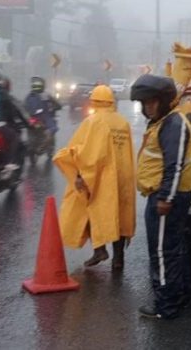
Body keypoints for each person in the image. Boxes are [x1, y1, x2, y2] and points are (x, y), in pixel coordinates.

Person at [131, 74, 191, 320]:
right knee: (174, 248)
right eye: (144, 103)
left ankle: (165, 305)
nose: (147, 107)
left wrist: (165, 198)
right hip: (166, 196)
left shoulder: (173, 124)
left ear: (165, 101)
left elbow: (174, 165)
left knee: (161, 252)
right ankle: (180, 296)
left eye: (151, 102)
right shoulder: (162, 122)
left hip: (167, 197)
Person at [54, 85, 136, 269]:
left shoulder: (94, 121)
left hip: (102, 176)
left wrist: (77, 172)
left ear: (94, 101)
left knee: (93, 209)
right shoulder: (122, 122)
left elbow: (88, 154)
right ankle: (118, 258)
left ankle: (100, 249)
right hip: (123, 177)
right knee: (120, 215)